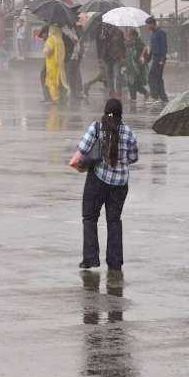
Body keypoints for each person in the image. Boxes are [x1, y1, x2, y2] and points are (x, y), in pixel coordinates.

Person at [72, 97, 139, 272]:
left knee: (89, 218)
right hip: (120, 184)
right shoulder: (128, 132)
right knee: (114, 221)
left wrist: (78, 165)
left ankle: (90, 259)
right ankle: (115, 262)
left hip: (98, 180)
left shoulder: (96, 128)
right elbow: (133, 157)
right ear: (121, 114)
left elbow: (80, 153)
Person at [146, 16, 169, 102]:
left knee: (152, 77)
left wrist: (162, 60)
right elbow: (152, 47)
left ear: (152, 24)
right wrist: (148, 57)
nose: (147, 27)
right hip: (155, 57)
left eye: (148, 25)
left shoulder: (161, 33)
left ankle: (155, 95)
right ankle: (163, 97)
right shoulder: (152, 33)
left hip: (160, 58)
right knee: (157, 78)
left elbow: (164, 47)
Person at [122, 28, 148, 103]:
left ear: (134, 35)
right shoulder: (129, 42)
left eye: (130, 35)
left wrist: (141, 56)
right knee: (131, 82)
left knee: (134, 82)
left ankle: (139, 95)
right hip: (130, 64)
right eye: (129, 35)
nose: (129, 36)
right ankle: (137, 96)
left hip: (137, 65)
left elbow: (145, 47)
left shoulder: (138, 41)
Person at [41, 25, 65, 103]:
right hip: (59, 63)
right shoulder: (59, 39)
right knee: (58, 80)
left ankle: (53, 98)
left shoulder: (51, 39)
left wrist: (44, 50)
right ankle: (59, 97)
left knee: (51, 81)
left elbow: (47, 51)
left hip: (51, 63)